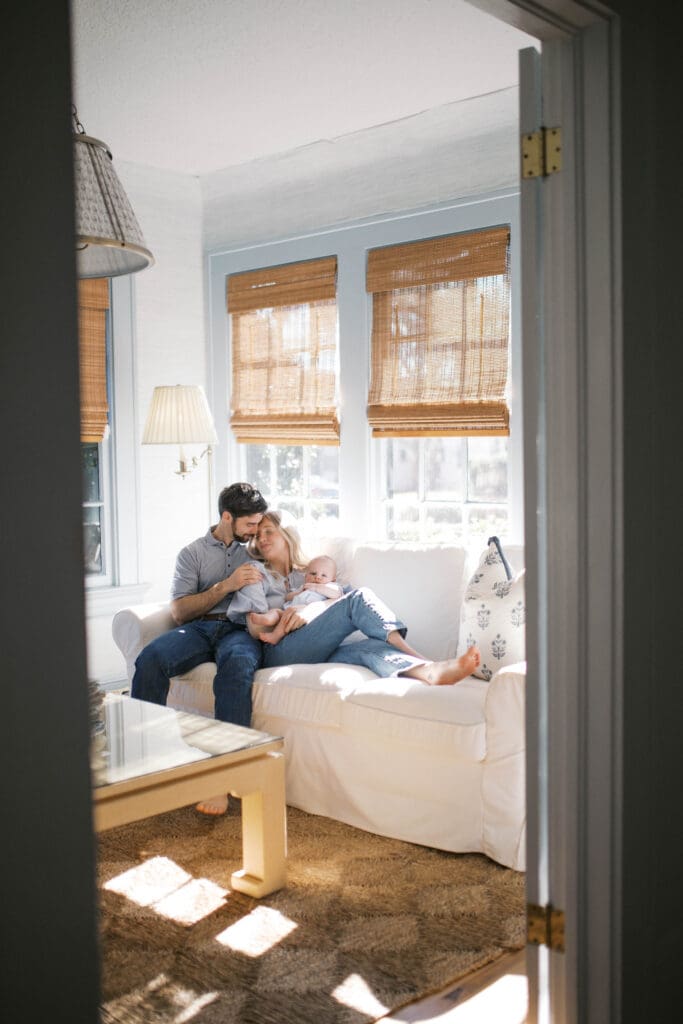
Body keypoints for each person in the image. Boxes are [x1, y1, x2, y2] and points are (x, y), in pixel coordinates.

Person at [199, 509, 482, 814]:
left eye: (269, 531)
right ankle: (418, 655)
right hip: (279, 650)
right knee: (360, 599)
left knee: (365, 648)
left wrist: (312, 610)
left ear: (288, 535)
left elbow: (338, 599)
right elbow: (254, 626)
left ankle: (427, 671)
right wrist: (274, 617)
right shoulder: (257, 571)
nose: (261, 538)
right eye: (258, 533)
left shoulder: (314, 571)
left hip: (319, 646)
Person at [130, 480, 268, 728]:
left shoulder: (256, 550)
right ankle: (143, 743)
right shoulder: (192, 554)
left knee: (238, 665)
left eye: (258, 524)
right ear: (227, 517)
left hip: (239, 629)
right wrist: (227, 585)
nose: (255, 531)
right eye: (250, 524)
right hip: (199, 629)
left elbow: (289, 560)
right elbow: (180, 612)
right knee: (150, 658)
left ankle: (233, 755)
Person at [229, 553, 344, 643]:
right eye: (313, 573)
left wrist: (316, 587)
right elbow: (287, 597)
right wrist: (298, 592)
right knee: (277, 612)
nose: (318, 577)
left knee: (286, 616)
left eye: (324, 575)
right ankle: (266, 619)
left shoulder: (331, 586)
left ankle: (275, 636)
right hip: (287, 611)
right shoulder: (302, 587)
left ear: (333, 579)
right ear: (306, 576)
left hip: (305, 613)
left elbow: (337, 594)